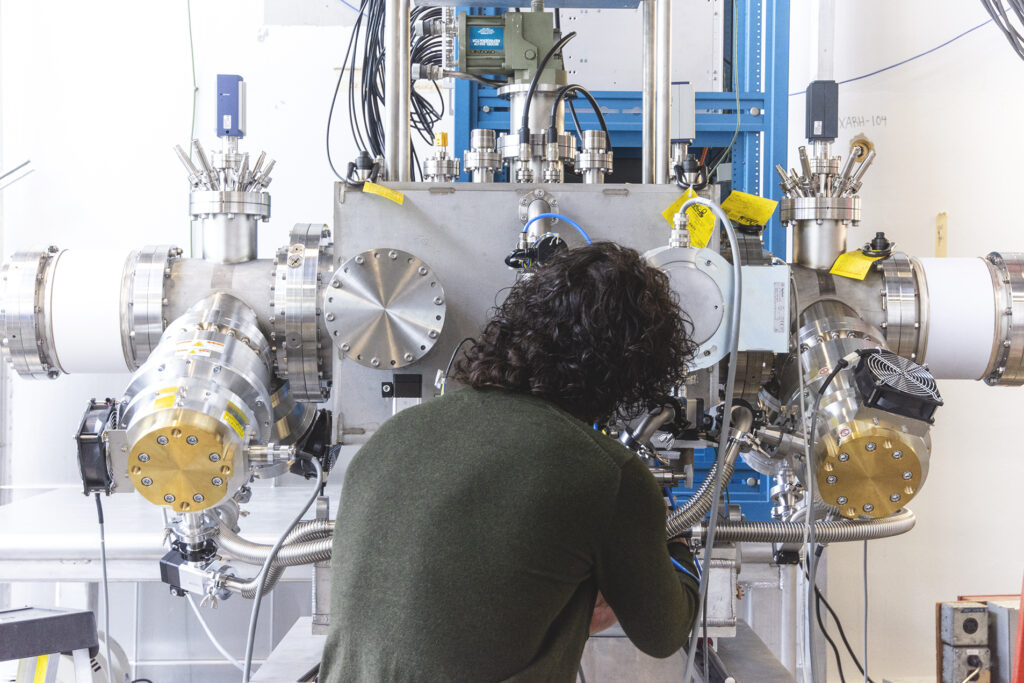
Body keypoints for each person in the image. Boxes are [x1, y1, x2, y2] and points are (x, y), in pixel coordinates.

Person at [320, 242, 702, 682]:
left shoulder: (392, 436)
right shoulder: (605, 474)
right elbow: (664, 635)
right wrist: (677, 550)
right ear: (632, 371)